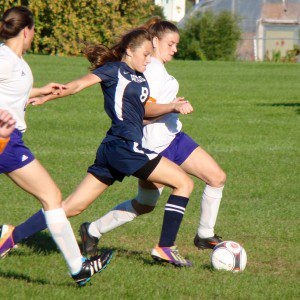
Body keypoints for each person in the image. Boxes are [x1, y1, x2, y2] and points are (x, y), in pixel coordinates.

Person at [0, 25, 195, 267]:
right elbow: (77, 86)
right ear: (129, 51)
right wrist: (46, 95)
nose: (148, 60)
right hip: (124, 147)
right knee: (184, 182)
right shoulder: (113, 70)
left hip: (116, 148)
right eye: (145, 55)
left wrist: (170, 106)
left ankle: (10, 236)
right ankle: (165, 247)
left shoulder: (140, 76)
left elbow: (139, 114)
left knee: (71, 207)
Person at [78, 18, 226, 262]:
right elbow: (143, 109)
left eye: (177, 44)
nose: (175, 49)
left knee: (217, 177)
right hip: (153, 145)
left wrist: (171, 106)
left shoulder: (157, 68)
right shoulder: (148, 70)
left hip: (173, 137)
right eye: (171, 44)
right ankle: (93, 231)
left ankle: (204, 234)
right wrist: (173, 107)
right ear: (155, 41)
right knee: (146, 203)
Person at [0, 6, 112, 286]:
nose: (33, 36)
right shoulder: (5, 59)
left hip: (10, 140)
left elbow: (12, 93)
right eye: (33, 31)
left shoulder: (16, 61)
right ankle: (79, 268)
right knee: (52, 198)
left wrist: (40, 91)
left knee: (52, 197)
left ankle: (76, 267)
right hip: (6, 140)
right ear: (27, 30)